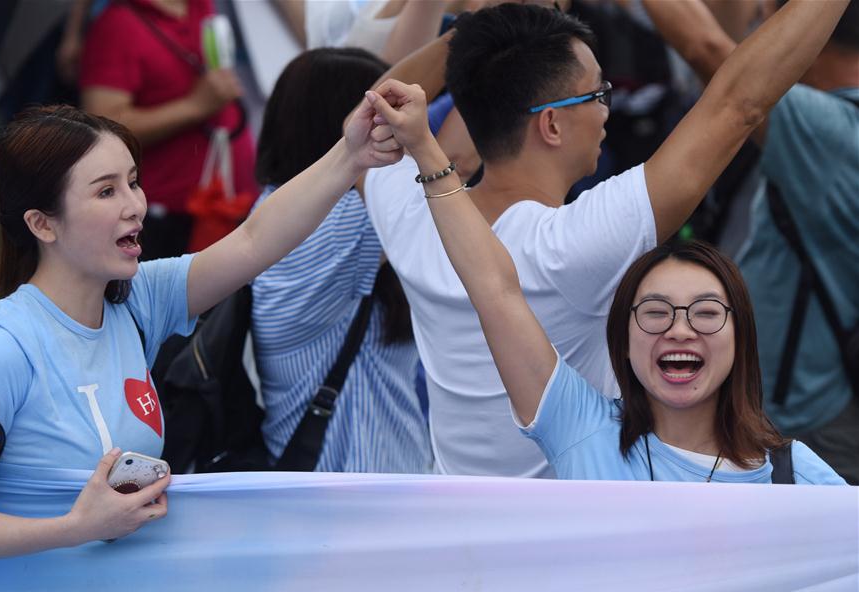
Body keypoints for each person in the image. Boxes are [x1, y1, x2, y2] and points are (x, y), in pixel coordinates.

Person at [355, 0, 850, 478]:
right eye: (598, 94)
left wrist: (478, 36)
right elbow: (737, 106)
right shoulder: (569, 245)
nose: (608, 110)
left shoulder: (417, 217)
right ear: (551, 123)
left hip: (459, 533)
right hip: (579, 537)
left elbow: (374, 108)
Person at [0, 101, 401, 561]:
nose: (135, 206)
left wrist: (350, 156)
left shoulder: (136, 303)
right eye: (106, 192)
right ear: (42, 224)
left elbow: (253, 242)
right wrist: (76, 528)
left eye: (132, 182)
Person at [637, 0, 859, 485]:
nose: (760, 36)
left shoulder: (831, 133)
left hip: (809, 419)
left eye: (770, 23)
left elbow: (711, 53)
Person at [251, 48, 431, 473]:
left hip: (382, 495)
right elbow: (459, 157)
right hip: (345, 504)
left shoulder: (276, 213)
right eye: (385, 119)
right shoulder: (321, 229)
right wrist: (479, 35)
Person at [79, 0, 258, 259]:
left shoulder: (201, 5)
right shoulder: (116, 23)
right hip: (167, 221)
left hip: (229, 205)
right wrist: (194, 107)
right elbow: (103, 128)